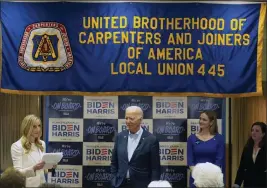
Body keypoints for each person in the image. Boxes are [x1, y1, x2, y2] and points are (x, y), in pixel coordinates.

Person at [110, 106, 160, 188]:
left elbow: (155, 169)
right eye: (126, 118)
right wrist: (114, 181)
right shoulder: (120, 137)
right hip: (120, 184)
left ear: (140, 119)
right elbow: (114, 163)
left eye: (131, 118)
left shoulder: (151, 140)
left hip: (142, 185)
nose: (128, 121)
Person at [187, 110, 224, 188]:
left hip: (213, 181)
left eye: (204, 120)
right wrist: (200, 179)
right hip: (196, 180)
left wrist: (208, 179)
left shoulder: (219, 139)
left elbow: (219, 161)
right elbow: (190, 162)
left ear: (211, 122)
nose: (201, 121)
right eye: (200, 119)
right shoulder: (191, 138)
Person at [11, 114, 47, 187]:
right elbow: (17, 173)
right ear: (27, 128)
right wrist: (33, 168)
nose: (38, 129)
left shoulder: (42, 144)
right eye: (34, 126)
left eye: (39, 126)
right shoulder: (17, 146)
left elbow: (43, 170)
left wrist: (50, 165)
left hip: (42, 184)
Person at [233, 122, 266, 187]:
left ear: (263, 134)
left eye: (257, 131)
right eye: (252, 130)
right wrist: (237, 183)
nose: (253, 133)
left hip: (263, 183)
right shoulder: (247, 148)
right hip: (249, 183)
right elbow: (242, 167)